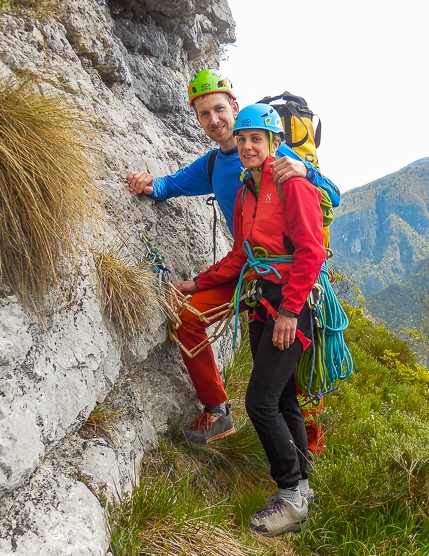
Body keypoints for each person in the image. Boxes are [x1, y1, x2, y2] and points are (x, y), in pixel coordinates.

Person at [127, 70, 339, 445]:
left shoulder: (274, 152)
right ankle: (217, 412)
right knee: (188, 317)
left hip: (290, 277)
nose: (214, 120)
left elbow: (332, 195)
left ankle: (305, 452)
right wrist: (147, 182)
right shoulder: (211, 165)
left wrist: (307, 169)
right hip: (247, 270)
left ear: (234, 107)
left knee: (293, 368)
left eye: (219, 109)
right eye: (204, 113)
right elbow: (169, 185)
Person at [177, 103, 325, 536]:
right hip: (264, 299)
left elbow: (312, 252)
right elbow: (243, 253)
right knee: (281, 401)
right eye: (241, 140)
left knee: (259, 403)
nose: (245, 146)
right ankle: (304, 485)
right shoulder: (246, 191)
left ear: (274, 144)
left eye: (255, 139)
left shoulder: (292, 185)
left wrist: (291, 312)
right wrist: (199, 283)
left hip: (291, 303)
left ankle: (292, 496)